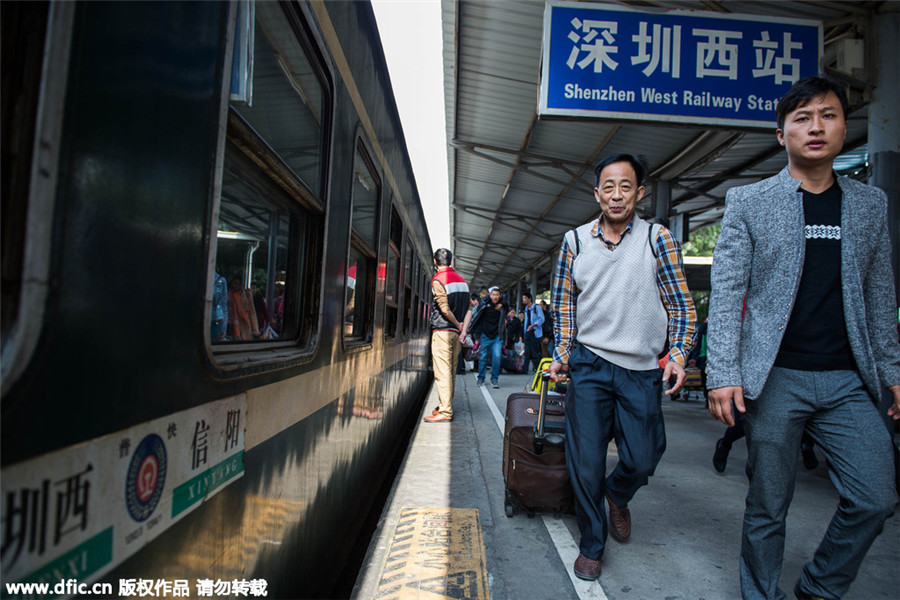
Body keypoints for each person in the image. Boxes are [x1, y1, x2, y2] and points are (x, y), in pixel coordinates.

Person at [706, 76, 900, 600]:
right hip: (776, 378)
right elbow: (726, 293)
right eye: (803, 118)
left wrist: (892, 370)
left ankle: (818, 586)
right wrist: (723, 373)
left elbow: (880, 295)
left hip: (847, 380)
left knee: (877, 497)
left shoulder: (869, 205)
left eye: (829, 115)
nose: (816, 127)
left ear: (844, 125)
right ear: (781, 133)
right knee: (768, 505)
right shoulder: (750, 200)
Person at [548, 153, 696, 582]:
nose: (616, 195)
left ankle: (620, 492)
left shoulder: (657, 238)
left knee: (645, 456)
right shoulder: (575, 241)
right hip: (589, 364)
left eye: (626, 186)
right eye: (608, 187)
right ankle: (593, 545)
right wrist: (563, 352)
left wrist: (681, 355)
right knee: (586, 462)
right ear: (597, 194)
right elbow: (563, 305)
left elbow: (681, 306)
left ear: (640, 192)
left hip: (642, 368)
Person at [425, 248, 472, 423]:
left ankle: (445, 411)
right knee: (450, 371)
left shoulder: (438, 280)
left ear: (435, 262)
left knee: (442, 373)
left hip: (443, 332)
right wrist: (463, 329)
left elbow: (444, 309)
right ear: (451, 261)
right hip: (455, 335)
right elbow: (469, 309)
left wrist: (457, 324)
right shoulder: (462, 282)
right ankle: (446, 405)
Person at [472, 286, 506, 388]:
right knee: (482, 358)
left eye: (497, 295)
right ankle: (481, 378)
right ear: (489, 295)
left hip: (497, 336)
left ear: (500, 296)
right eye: (493, 294)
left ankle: (494, 379)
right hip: (485, 335)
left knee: (497, 357)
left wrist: (502, 303)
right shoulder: (484, 304)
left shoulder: (503, 306)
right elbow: (478, 313)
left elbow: (506, 298)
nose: (495, 297)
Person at [522, 292, 545, 373]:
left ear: (529, 299)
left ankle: (538, 369)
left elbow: (542, 319)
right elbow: (526, 321)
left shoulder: (537, 307)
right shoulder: (526, 308)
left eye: (525, 298)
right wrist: (525, 333)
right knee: (527, 352)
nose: (523, 300)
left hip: (535, 332)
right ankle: (524, 370)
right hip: (528, 332)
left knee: (535, 352)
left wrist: (533, 325)